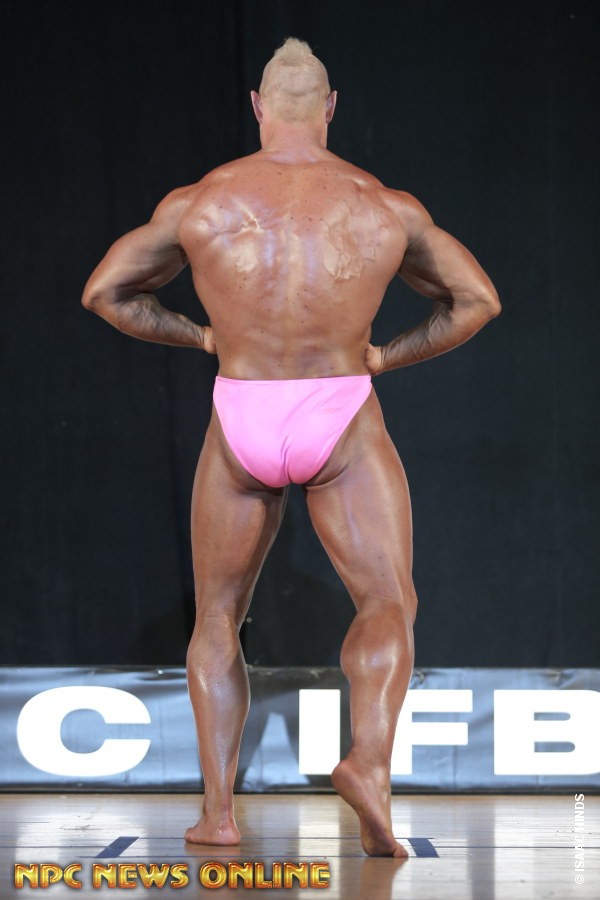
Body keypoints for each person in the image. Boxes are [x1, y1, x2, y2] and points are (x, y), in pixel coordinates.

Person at [81, 38, 501, 858]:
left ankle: (218, 815)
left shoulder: (200, 202)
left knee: (217, 616)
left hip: (242, 409)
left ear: (258, 107)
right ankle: (368, 764)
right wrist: (386, 356)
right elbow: (477, 300)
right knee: (388, 602)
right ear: (332, 107)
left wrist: (201, 335)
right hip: (338, 409)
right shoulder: (384, 207)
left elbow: (105, 292)